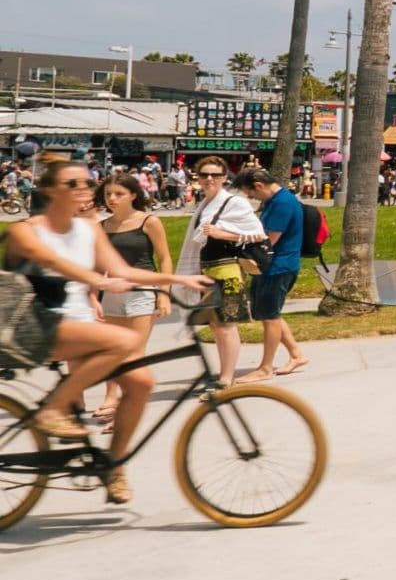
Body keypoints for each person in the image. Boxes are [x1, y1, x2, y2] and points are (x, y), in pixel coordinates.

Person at [2, 160, 208, 504]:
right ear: (50, 191)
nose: (84, 188)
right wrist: (96, 280)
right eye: (72, 184)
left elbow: (120, 269)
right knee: (125, 339)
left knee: (142, 384)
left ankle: (113, 467)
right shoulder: (27, 229)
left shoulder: (89, 229)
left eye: (86, 182)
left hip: (78, 324)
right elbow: (51, 260)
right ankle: (53, 410)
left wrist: (174, 281)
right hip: (34, 326)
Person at [175, 156, 267, 387]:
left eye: (215, 175)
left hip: (228, 271)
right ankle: (224, 373)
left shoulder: (235, 203)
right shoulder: (204, 204)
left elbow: (258, 234)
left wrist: (222, 233)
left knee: (226, 326)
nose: (209, 179)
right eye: (204, 175)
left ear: (225, 178)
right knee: (216, 326)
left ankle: (227, 377)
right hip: (206, 271)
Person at [94, 173, 173, 428]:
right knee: (111, 351)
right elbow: (97, 267)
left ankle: (123, 412)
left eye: (118, 194)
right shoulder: (102, 226)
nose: (112, 199)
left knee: (134, 354)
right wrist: (93, 297)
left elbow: (164, 258)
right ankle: (111, 397)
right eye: (108, 194)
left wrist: (164, 293)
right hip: (112, 292)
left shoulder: (149, 222)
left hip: (143, 290)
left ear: (133, 195)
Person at [231, 168, 308, 381]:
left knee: (270, 317)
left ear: (258, 185)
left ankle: (265, 367)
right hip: (275, 266)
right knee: (269, 313)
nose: (251, 198)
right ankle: (296, 355)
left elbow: (266, 241)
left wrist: (233, 242)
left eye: (250, 193)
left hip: (278, 267)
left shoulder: (282, 203)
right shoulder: (280, 200)